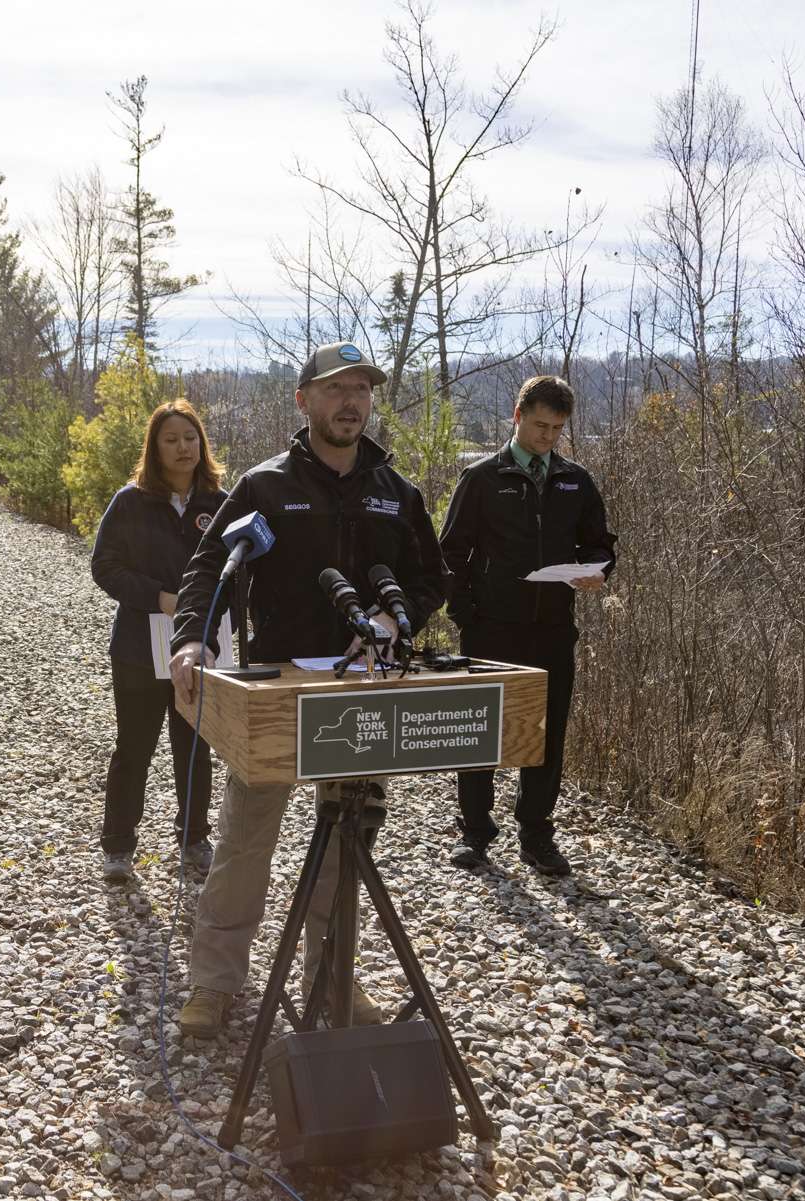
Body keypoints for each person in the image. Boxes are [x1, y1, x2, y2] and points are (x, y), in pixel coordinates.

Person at [166, 342, 446, 1038]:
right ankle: (214, 982)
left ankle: (331, 976)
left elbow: (431, 579)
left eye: (362, 388)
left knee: (347, 846)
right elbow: (208, 569)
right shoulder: (263, 486)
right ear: (304, 400)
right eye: (336, 388)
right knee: (244, 842)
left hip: (364, 694)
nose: (351, 400)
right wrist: (191, 640)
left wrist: (391, 615)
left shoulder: (397, 491)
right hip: (277, 700)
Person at [439, 375, 617, 877]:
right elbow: (451, 554)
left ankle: (537, 836)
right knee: (480, 732)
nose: (547, 437)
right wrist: (466, 617)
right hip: (489, 630)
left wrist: (597, 569)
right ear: (517, 416)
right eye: (540, 425)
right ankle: (474, 834)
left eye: (557, 429)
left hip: (553, 629)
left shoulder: (575, 481)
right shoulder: (481, 477)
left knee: (546, 736)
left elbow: (600, 544)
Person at [90, 399, 227, 883]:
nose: (183, 447)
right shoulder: (130, 500)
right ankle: (118, 847)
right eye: (171, 439)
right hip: (138, 646)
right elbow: (104, 567)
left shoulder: (222, 502)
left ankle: (193, 837)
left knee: (194, 745)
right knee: (135, 747)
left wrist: (207, 612)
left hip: (204, 646)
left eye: (190, 438)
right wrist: (160, 598)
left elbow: (240, 572)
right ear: (154, 447)